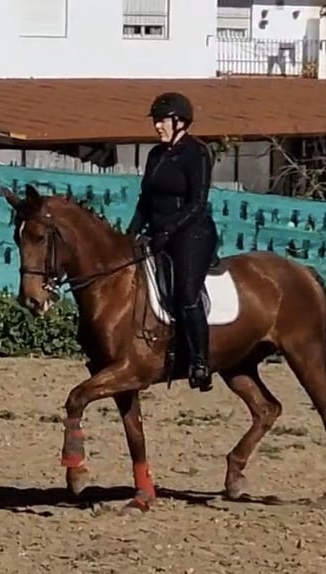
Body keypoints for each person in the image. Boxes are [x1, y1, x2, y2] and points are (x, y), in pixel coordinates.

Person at [126, 91, 218, 393]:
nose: (157, 127)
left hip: (193, 234)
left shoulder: (197, 153)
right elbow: (145, 200)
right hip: (159, 233)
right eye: (155, 122)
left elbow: (197, 202)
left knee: (185, 292)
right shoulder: (155, 155)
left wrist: (168, 230)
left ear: (180, 122)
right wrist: (130, 235)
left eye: (162, 121)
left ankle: (200, 363)